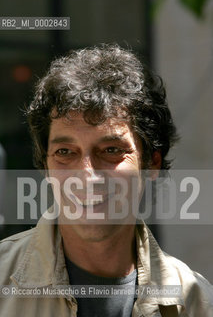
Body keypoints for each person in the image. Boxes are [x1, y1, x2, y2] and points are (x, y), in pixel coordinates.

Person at [0, 44, 212, 317]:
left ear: (151, 164)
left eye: (111, 150)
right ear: (46, 167)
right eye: (65, 152)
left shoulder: (197, 304)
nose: (87, 176)